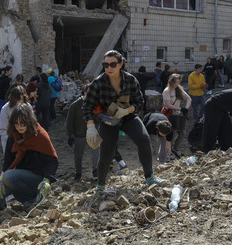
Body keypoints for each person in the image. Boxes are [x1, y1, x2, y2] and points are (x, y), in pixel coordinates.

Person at [83, 50, 164, 189]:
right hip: (108, 120)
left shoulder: (131, 80)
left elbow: (139, 102)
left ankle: (150, 177)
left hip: (128, 117)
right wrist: (90, 127)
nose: (108, 68)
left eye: (113, 64)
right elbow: (87, 106)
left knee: (144, 140)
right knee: (106, 154)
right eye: (105, 65)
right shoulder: (98, 83)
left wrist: (126, 111)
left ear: (120, 64)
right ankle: (100, 184)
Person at [0, 103, 58, 210]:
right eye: (16, 124)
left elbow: (52, 160)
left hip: (37, 177)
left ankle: (33, 198)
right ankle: (0, 209)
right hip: (19, 177)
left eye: (22, 123)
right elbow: (8, 160)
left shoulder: (39, 135)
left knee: (9, 177)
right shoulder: (14, 135)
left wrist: (47, 180)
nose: (19, 127)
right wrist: (1, 179)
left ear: (28, 121)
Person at [67, 84, 99, 180]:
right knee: (78, 155)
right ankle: (78, 173)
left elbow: (98, 119)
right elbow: (69, 121)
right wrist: (71, 135)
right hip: (79, 134)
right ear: (85, 93)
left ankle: (95, 170)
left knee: (96, 151)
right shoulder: (75, 105)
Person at [162, 73, 192, 158]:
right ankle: (169, 151)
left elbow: (189, 99)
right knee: (172, 133)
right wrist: (180, 108)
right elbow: (168, 105)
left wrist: (186, 108)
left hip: (178, 114)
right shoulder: (166, 91)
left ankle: (175, 148)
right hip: (169, 114)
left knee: (182, 133)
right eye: (176, 82)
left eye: (178, 82)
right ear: (171, 82)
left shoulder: (179, 89)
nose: (177, 84)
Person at [0, 86, 28, 152]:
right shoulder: (5, 109)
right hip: (11, 141)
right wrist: (14, 140)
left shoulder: (27, 106)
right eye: (18, 100)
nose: (20, 102)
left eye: (22, 100)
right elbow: (3, 130)